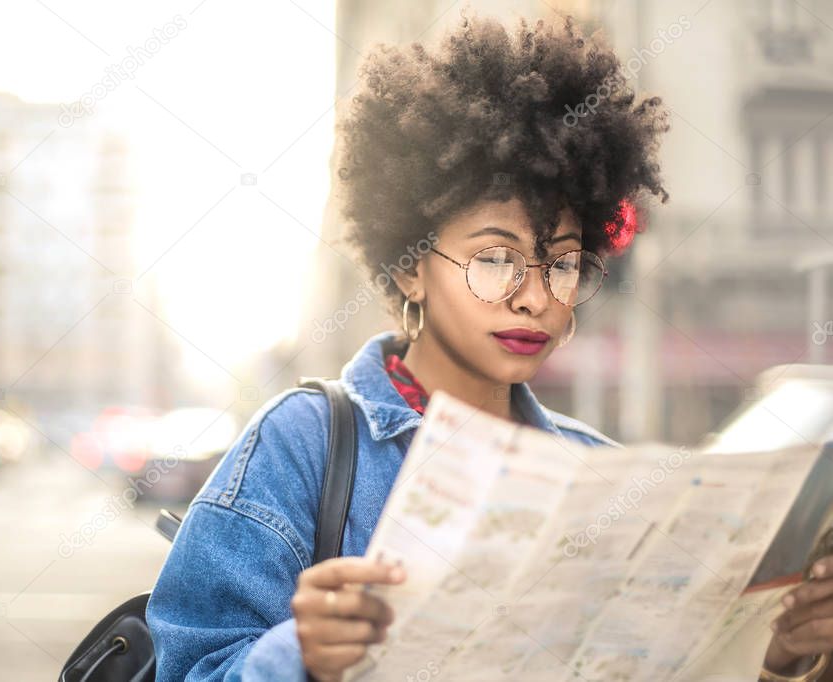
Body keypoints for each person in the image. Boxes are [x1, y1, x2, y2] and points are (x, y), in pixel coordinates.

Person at [144, 11, 821, 682]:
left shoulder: (598, 474)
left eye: (560, 264)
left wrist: (781, 654)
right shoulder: (303, 445)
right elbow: (191, 669)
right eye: (495, 259)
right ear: (410, 263)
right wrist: (301, 656)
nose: (534, 296)